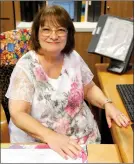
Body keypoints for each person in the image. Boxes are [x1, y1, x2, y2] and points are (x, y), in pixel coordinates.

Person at [6, 5, 130, 160]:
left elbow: (89, 88)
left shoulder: (73, 57)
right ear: (36, 33)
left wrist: (107, 104)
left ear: (68, 34)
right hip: (43, 143)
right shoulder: (26, 67)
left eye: (60, 30)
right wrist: (51, 137)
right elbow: (18, 114)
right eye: (46, 29)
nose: (54, 35)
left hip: (84, 138)